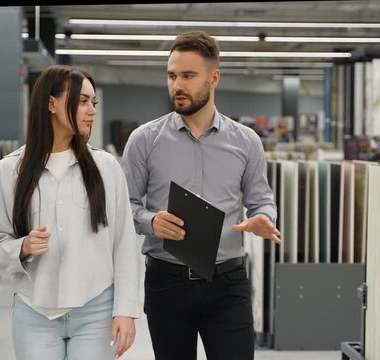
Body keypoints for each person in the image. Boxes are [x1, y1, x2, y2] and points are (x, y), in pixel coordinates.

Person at [121, 30, 282, 360]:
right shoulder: (144, 140)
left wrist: (265, 217)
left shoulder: (246, 141)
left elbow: (261, 199)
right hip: (166, 282)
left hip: (227, 282)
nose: (177, 85)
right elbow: (125, 207)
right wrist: (151, 221)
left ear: (214, 78)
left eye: (188, 76)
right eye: (172, 75)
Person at [0, 64, 140, 360]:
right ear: (51, 103)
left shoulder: (106, 168)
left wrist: (125, 309)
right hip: (34, 313)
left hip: (96, 309)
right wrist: (23, 247)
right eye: (82, 101)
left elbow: (124, 245)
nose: (91, 110)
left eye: (93, 102)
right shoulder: (9, 171)